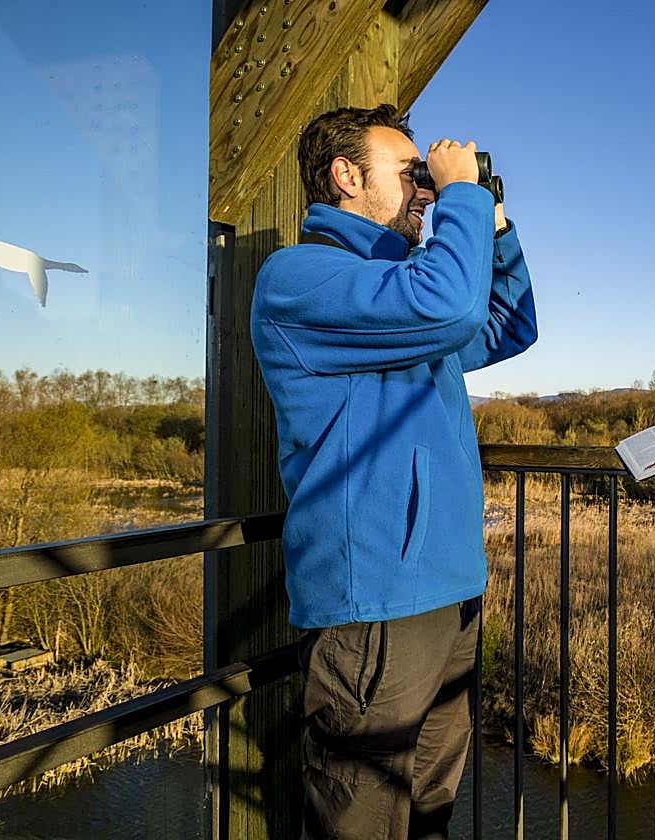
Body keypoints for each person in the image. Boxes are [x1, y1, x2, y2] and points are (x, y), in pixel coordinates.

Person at [250, 105, 537, 839]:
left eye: (426, 176)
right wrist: (462, 197)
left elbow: (505, 324)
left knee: (427, 814)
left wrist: (493, 222)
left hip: (447, 593)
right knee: (362, 818)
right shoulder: (301, 277)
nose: (424, 189)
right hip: (374, 604)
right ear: (346, 176)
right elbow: (450, 306)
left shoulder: (400, 292)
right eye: (410, 173)